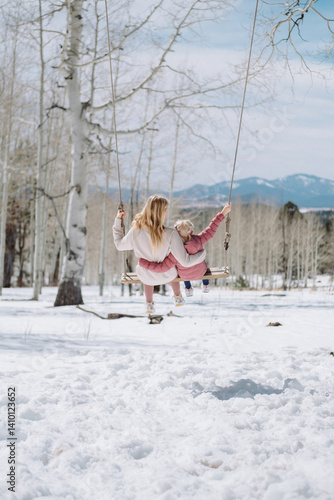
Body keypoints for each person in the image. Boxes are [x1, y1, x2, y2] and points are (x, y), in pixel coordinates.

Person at [113, 195, 207, 314]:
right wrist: (202, 254)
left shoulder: (136, 231)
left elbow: (120, 245)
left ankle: (149, 304)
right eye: (166, 210)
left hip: (146, 276)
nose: (167, 213)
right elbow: (185, 261)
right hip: (167, 275)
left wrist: (118, 221)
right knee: (173, 265)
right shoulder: (171, 234)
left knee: (146, 272)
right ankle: (177, 296)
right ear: (162, 212)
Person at [138, 203, 232, 296]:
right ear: (191, 232)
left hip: (185, 276)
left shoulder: (174, 252)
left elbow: (162, 267)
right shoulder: (199, 240)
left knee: (179, 267)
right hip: (200, 273)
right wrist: (223, 213)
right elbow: (211, 229)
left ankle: (188, 288)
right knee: (203, 262)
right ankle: (206, 284)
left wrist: (143, 263)